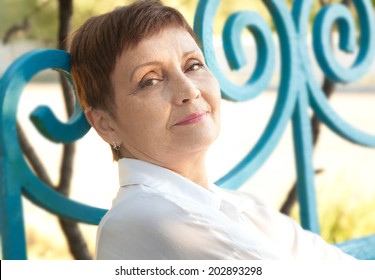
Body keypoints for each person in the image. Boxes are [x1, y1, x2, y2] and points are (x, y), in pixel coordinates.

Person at [69, 0, 353, 260]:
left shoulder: (243, 206)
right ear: (105, 124)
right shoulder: (141, 221)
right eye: (150, 81)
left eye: (193, 65)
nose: (189, 91)